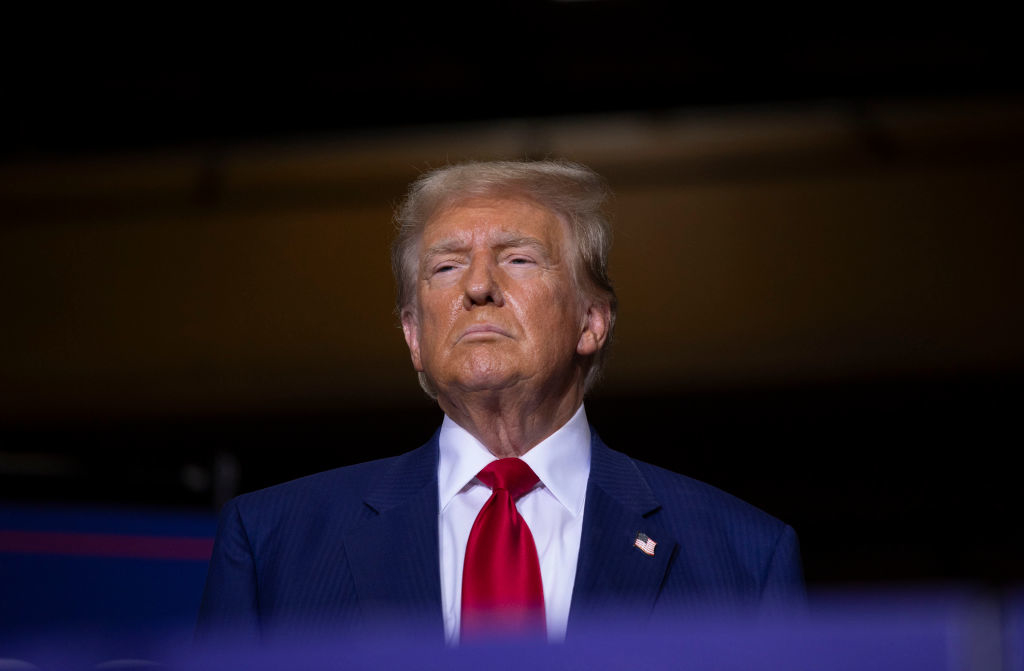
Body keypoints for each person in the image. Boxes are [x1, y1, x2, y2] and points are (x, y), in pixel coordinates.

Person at [195, 160, 803, 646]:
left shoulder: (744, 558)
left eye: (517, 258)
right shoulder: (273, 544)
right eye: (445, 266)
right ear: (413, 334)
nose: (478, 286)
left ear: (591, 321)